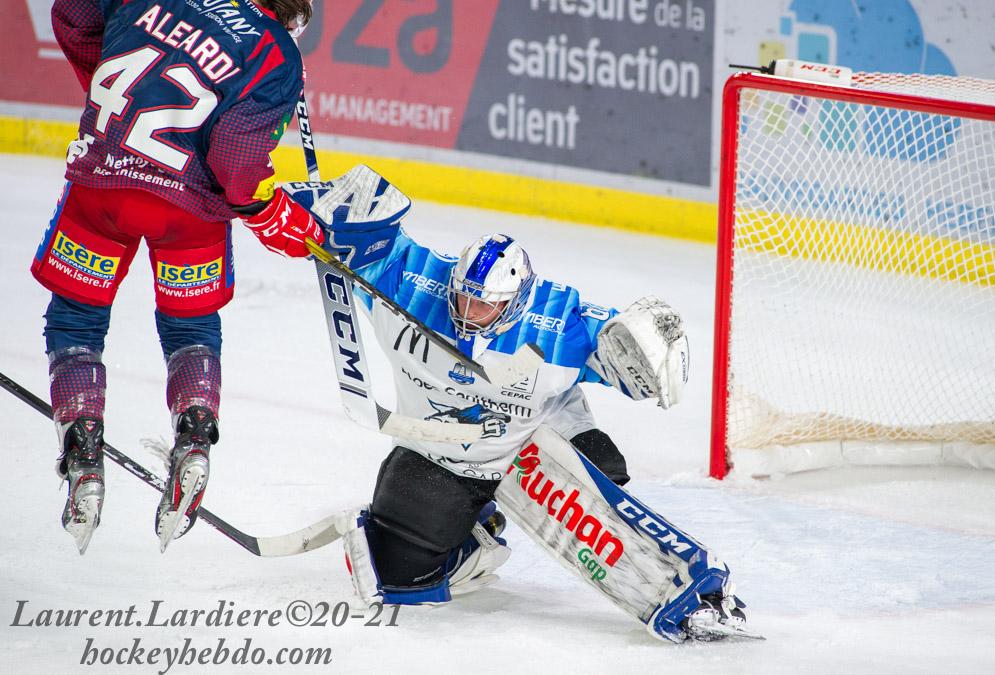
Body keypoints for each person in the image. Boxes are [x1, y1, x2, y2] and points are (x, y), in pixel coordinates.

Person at [283, 165, 749, 641]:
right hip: (444, 454)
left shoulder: (560, 323)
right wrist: (299, 216)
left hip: (538, 439)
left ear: (517, 301)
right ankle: (476, 533)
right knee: (399, 575)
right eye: (463, 299)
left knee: (603, 493)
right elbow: (357, 231)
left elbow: (629, 355)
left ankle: (689, 586)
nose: (469, 313)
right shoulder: (413, 282)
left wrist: (654, 350)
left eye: (484, 305)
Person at [35, 0, 323, 554]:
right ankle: (194, 437)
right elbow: (236, 163)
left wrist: (116, 90)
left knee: (75, 320)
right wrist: (267, 210)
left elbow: (72, 11)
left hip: (103, 182)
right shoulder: (274, 51)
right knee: (191, 326)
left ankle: (83, 446)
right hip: (189, 209)